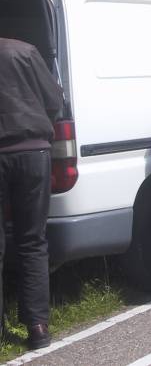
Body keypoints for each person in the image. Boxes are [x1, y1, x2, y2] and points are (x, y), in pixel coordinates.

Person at [0, 38, 63, 350]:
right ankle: (37, 327)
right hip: (32, 151)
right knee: (32, 241)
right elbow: (54, 99)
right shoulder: (23, 50)